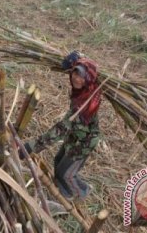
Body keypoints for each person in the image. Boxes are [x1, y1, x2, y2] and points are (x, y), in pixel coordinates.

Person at [21, 52, 101, 200]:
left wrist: (29, 148)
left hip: (85, 142)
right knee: (58, 162)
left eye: (81, 76)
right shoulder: (87, 87)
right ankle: (64, 189)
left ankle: (78, 195)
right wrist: (73, 58)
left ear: (88, 78)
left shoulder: (85, 104)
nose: (76, 79)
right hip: (76, 134)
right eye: (75, 73)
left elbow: (58, 132)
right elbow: (82, 62)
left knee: (66, 174)